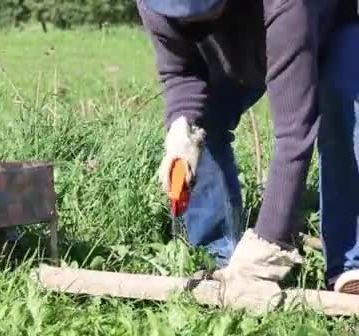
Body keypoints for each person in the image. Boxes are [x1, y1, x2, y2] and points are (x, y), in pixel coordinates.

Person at [135, 0, 359, 303]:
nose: (189, 21)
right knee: (204, 119)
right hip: (240, 45)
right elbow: (181, 73)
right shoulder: (157, 6)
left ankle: (349, 262)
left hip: (324, 27)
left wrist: (267, 246)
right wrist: (181, 130)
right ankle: (220, 256)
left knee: (345, 105)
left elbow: (295, 133)